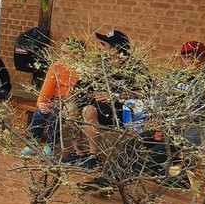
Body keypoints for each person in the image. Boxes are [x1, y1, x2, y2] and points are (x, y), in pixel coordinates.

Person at [61, 30, 136, 170]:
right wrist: (68, 100)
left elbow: (144, 92)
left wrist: (115, 96)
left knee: (88, 111)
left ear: (115, 49)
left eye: (103, 44)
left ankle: (93, 156)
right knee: (69, 109)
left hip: (118, 109)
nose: (98, 47)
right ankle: (78, 152)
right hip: (94, 103)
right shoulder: (99, 64)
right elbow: (80, 87)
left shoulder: (133, 67)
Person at [22, 39, 80, 157]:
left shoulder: (81, 71)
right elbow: (46, 89)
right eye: (61, 52)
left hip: (70, 104)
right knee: (39, 113)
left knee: (55, 115)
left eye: (65, 53)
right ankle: (32, 144)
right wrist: (42, 104)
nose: (61, 55)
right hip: (54, 101)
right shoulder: (56, 67)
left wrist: (57, 104)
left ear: (76, 54)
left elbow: (75, 95)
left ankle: (50, 147)